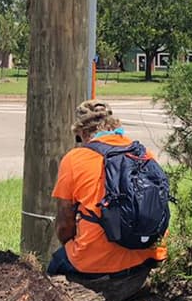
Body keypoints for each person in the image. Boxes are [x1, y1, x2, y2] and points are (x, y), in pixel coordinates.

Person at [47, 100, 167, 285]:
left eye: (78, 139)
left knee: (53, 269)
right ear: (115, 126)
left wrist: (71, 244)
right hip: (150, 254)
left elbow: (64, 224)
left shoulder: (75, 159)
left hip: (96, 263)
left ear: (82, 133)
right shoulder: (144, 154)